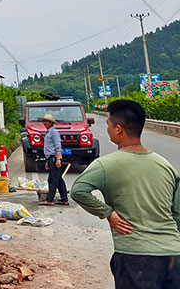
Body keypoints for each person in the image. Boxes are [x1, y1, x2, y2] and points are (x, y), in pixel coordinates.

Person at [71, 99, 180, 288]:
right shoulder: (166, 165)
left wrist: (107, 213)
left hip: (135, 255)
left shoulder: (105, 164)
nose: (107, 129)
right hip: (173, 255)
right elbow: (177, 213)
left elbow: (78, 190)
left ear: (118, 129)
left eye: (108, 124)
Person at [39, 113, 69, 206]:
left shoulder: (54, 132)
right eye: (44, 121)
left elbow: (58, 147)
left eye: (47, 122)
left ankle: (49, 199)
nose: (45, 123)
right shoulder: (48, 132)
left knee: (52, 179)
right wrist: (47, 161)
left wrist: (58, 159)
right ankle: (64, 199)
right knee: (58, 179)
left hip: (54, 158)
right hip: (50, 158)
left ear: (51, 123)